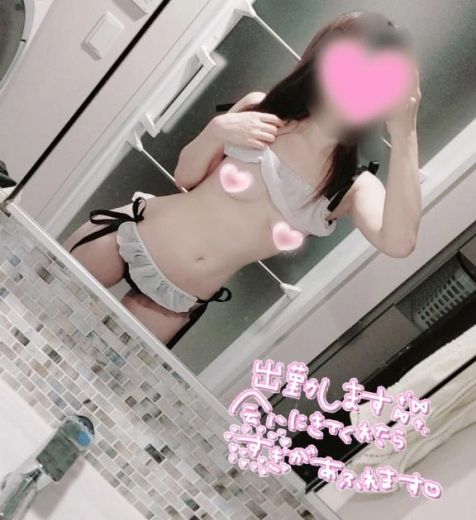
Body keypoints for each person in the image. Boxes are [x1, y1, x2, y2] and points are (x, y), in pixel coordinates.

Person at [64, 11, 422, 347]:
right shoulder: (262, 110)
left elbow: (399, 243)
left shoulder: (351, 187)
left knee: (95, 379)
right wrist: (217, 131)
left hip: (176, 300)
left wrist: (405, 134)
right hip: (128, 237)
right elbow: (185, 178)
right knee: (31, 311)